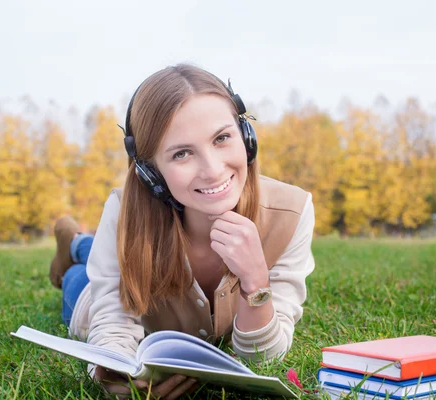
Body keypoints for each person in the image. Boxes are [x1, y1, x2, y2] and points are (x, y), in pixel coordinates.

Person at [48, 64, 316, 399]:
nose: (213, 170)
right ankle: (73, 243)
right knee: (79, 285)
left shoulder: (291, 213)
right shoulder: (123, 212)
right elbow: (111, 325)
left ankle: (78, 242)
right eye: (182, 153)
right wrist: (114, 376)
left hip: (121, 256)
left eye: (222, 138)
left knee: (94, 256)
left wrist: (256, 283)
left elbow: (265, 357)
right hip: (94, 287)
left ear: (246, 136)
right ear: (150, 173)